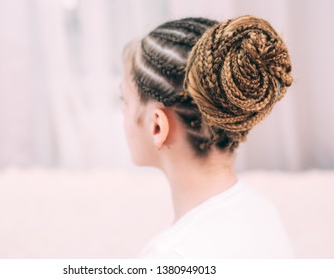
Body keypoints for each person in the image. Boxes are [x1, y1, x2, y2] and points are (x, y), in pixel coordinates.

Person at [120, 15, 294, 258]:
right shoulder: (263, 209)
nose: (123, 113)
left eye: (124, 101)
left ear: (157, 126)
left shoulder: (169, 257)